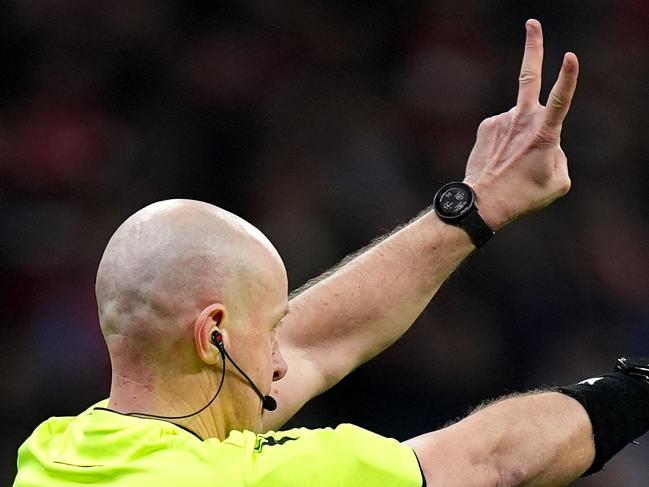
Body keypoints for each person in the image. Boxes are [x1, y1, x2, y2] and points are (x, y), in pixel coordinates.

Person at [13, 19, 649, 486]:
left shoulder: (48, 453)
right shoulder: (264, 478)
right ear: (213, 336)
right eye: (270, 332)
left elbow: (317, 345)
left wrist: (476, 208)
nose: (282, 365)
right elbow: (493, 460)